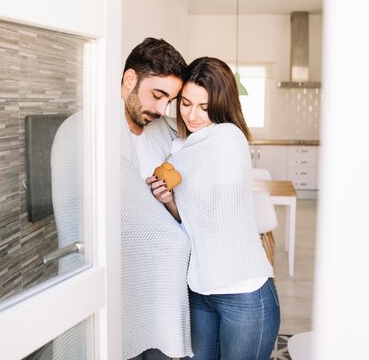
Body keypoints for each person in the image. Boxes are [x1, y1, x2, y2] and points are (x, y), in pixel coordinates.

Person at [147, 57, 281, 360]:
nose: (193, 115)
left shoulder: (227, 138)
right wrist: (169, 200)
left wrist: (172, 161)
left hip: (244, 293)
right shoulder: (182, 146)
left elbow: (221, 218)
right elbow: (196, 222)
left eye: (204, 107)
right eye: (185, 103)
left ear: (221, 104)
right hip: (200, 290)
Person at [119, 38, 192, 360]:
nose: (162, 110)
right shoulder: (100, 133)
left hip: (163, 289)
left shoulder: (165, 134)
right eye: (158, 95)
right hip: (123, 288)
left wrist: (171, 204)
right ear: (130, 80)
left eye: (170, 100)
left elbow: (185, 208)